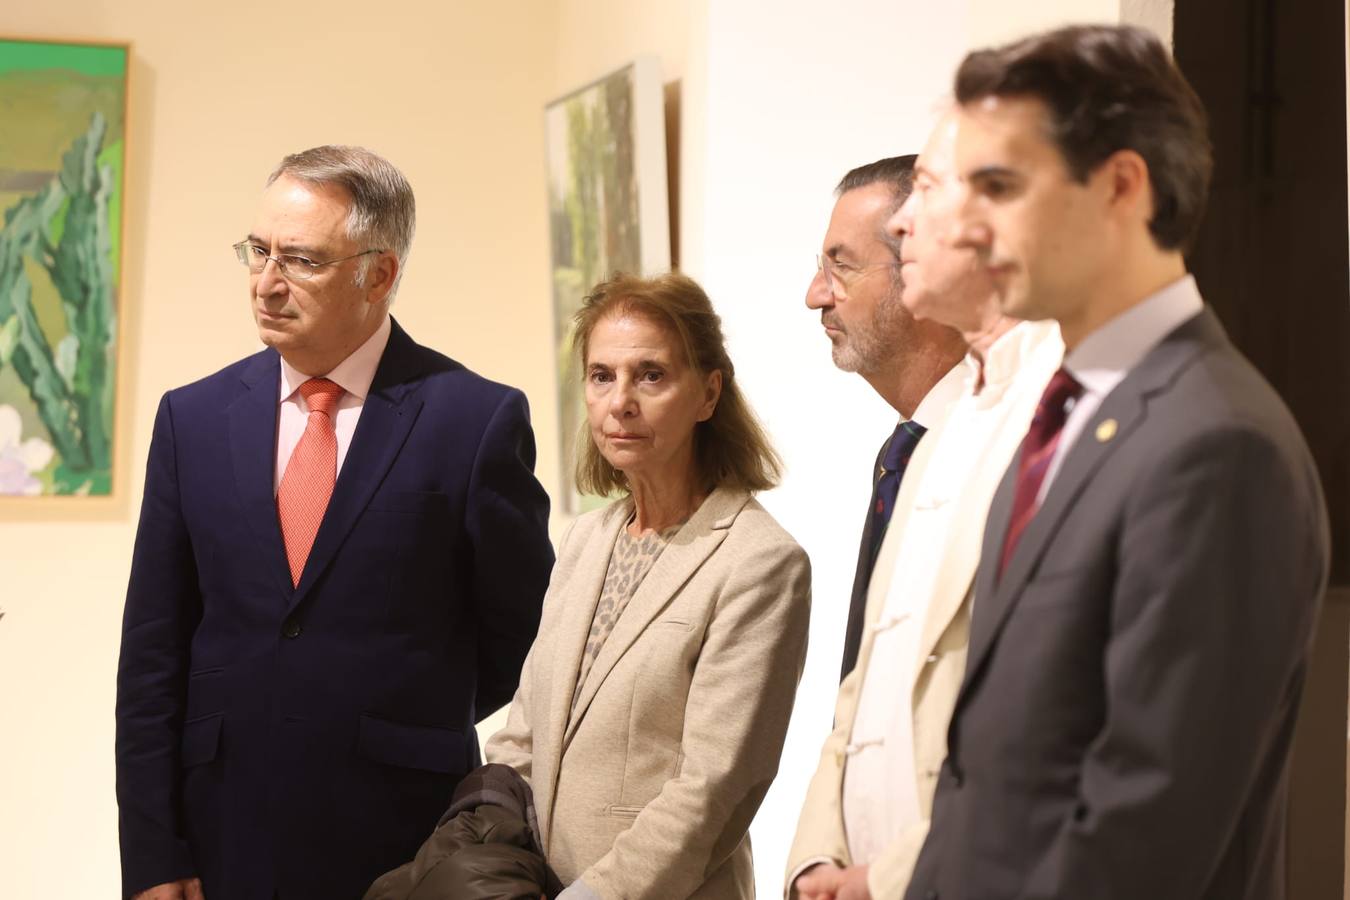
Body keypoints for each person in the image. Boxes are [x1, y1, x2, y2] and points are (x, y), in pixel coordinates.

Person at [905, 25, 1330, 900]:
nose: (969, 225)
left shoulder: (1217, 445)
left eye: (1001, 186)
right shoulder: (1065, 413)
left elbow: (1146, 824)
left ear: (1122, 185)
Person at [115, 145, 554, 900]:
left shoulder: (474, 419)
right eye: (258, 252)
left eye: (300, 260)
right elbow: (153, 653)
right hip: (222, 834)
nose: (266, 283)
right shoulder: (190, 418)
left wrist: (392, 710)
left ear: (378, 274)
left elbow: (524, 635)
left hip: (403, 838)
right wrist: (154, 854)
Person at [788, 110, 1063, 900]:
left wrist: (891, 877)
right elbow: (861, 689)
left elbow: (1037, 715)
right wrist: (813, 863)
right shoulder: (917, 444)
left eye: (842, 265)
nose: (815, 294)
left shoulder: (1038, 422)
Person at [485, 272, 812, 899]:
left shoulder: (761, 562)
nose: (620, 401)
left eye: (651, 375)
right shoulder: (584, 540)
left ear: (709, 393)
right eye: (601, 375)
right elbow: (523, 733)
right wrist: (489, 851)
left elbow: (715, 787)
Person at [805, 156, 966, 680]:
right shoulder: (902, 452)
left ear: (921, 270)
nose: (815, 295)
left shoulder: (1002, 447)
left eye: (841, 266)